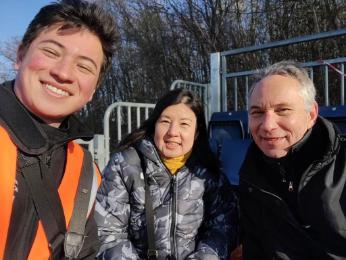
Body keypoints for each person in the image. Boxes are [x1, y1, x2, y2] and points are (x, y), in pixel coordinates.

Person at [0, 0, 118, 259]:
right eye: (52, 52)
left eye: (84, 66)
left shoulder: (87, 171)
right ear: (20, 56)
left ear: (93, 91)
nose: (64, 73)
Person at [95, 89, 238, 259]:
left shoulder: (209, 174)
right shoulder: (125, 165)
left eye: (184, 124)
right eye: (165, 121)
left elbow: (223, 230)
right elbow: (107, 233)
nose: (172, 132)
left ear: (197, 132)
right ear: (154, 124)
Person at [239, 60, 346, 259]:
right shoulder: (250, 174)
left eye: (283, 110)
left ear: (311, 113)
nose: (268, 125)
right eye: (258, 112)